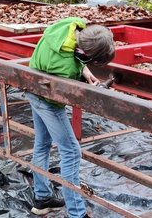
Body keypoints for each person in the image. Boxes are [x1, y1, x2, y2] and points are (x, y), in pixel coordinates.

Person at [27, 17, 115, 218]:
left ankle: (42, 199)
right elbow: (67, 94)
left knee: (42, 144)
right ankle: (77, 213)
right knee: (71, 152)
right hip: (49, 101)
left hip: (33, 88)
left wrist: (85, 71)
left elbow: (75, 58)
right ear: (86, 54)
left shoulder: (70, 25)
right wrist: (90, 89)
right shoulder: (65, 67)